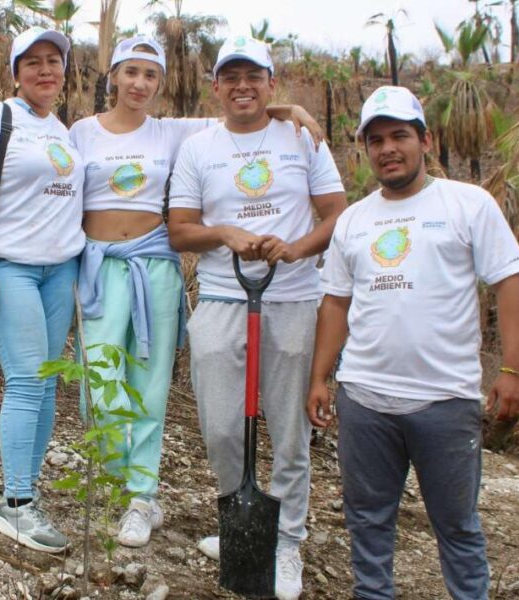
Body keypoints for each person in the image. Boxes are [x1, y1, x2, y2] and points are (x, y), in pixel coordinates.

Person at [69, 35, 323, 549]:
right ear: (113, 76)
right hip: (98, 267)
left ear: (161, 83)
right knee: (99, 383)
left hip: (154, 265)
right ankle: (118, 481)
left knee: (150, 385)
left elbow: (240, 113)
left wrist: (288, 105)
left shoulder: (173, 133)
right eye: (131, 72)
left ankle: (140, 498)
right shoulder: (80, 132)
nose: (139, 83)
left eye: (151, 75)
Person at [307, 85, 519, 600]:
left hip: (445, 400)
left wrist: (514, 371)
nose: (388, 148)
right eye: (376, 139)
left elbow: (509, 282)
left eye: (400, 136)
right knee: (366, 519)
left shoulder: (466, 204)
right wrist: (321, 378)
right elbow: (336, 303)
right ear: (365, 149)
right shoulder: (355, 220)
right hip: (365, 398)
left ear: (424, 140)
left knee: (456, 524)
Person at [167, 36, 347, 600]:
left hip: (293, 300)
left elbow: (336, 213)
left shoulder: (301, 137)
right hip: (223, 297)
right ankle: (242, 523)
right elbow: (179, 229)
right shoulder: (199, 147)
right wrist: (224, 233)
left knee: (289, 430)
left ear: (272, 83)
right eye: (231, 76)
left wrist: (296, 249)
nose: (242, 85)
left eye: (255, 76)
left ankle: (287, 541)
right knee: (221, 425)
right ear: (216, 86)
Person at [0, 27, 84, 554]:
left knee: (47, 382)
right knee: (28, 381)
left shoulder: (64, 131)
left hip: (60, 271)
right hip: (9, 268)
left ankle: (25, 496)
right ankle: (14, 505)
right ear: (16, 71)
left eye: (54, 61)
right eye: (33, 62)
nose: (45, 70)